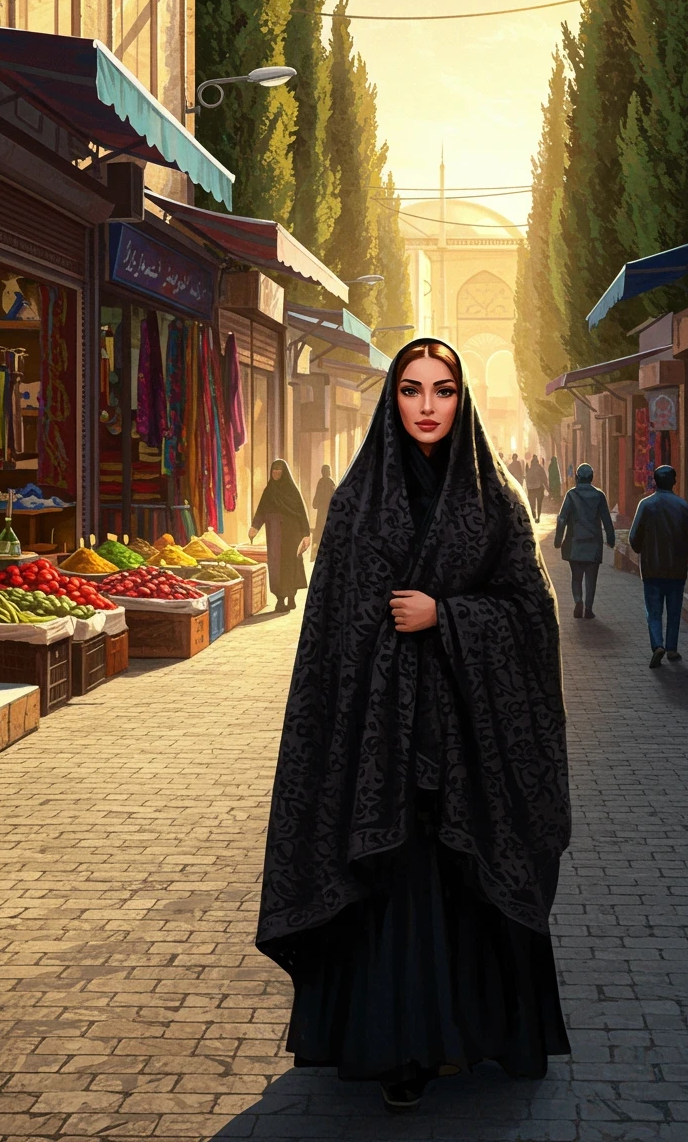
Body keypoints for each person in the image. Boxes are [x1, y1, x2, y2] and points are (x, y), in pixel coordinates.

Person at [257, 339, 571, 1114]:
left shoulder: (494, 499)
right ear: (391, 400)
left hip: (470, 747)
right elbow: (328, 635)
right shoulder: (357, 501)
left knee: (465, 887)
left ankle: (478, 1033)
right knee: (396, 893)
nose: (427, 405)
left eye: (443, 389)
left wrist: (448, 616)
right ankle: (399, 1047)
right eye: (411, 389)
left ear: (462, 401)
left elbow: (532, 615)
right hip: (378, 751)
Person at [627, 465, 688, 668]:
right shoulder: (682, 506)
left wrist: (642, 550)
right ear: (673, 482)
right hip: (676, 570)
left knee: (654, 610)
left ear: (655, 482)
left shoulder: (646, 505)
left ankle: (657, 644)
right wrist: (683, 557)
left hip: (652, 569)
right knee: (674, 610)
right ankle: (672, 648)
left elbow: (634, 538)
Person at [248, 459, 311, 612]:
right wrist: (255, 527)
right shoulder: (269, 490)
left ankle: (291, 597)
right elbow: (262, 510)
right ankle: (280, 599)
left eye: (279, 470)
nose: (275, 472)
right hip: (275, 533)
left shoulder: (292, 490)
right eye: (273, 469)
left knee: (292, 563)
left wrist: (306, 534)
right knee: (276, 564)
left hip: (292, 532)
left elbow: (301, 513)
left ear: (284, 473)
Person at [554, 463, 615, 619]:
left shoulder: (571, 495)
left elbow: (562, 519)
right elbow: (607, 520)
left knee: (576, 576)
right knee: (591, 578)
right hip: (594, 543)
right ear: (591, 478)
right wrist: (611, 539)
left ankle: (578, 601)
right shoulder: (599, 495)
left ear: (577, 477)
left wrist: (558, 539)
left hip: (575, 542)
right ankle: (588, 608)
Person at [311, 464, 335, 557]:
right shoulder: (331, 482)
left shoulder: (321, 482)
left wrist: (315, 504)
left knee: (320, 529)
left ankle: (317, 549)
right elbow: (334, 495)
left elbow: (317, 496)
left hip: (321, 511)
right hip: (328, 511)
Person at [525, 453, 550, 521]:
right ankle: (538, 517)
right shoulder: (540, 468)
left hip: (531, 489)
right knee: (539, 504)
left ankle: (533, 512)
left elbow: (527, 480)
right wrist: (548, 489)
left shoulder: (530, 470)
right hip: (539, 489)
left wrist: (528, 489)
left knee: (532, 503)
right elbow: (544, 479)